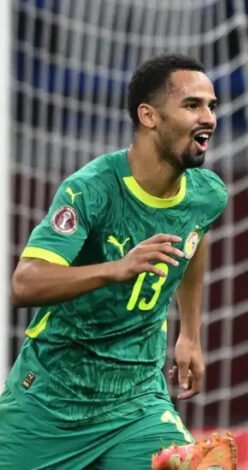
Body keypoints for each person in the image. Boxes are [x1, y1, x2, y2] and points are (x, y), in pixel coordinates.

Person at [0, 54, 235, 469]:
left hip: (137, 401)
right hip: (52, 399)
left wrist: (190, 334)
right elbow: (25, 284)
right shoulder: (91, 190)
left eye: (212, 106)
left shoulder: (208, 194)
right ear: (149, 116)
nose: (209, 118)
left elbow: (194, 242)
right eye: (192, 105)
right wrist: (117, 268)